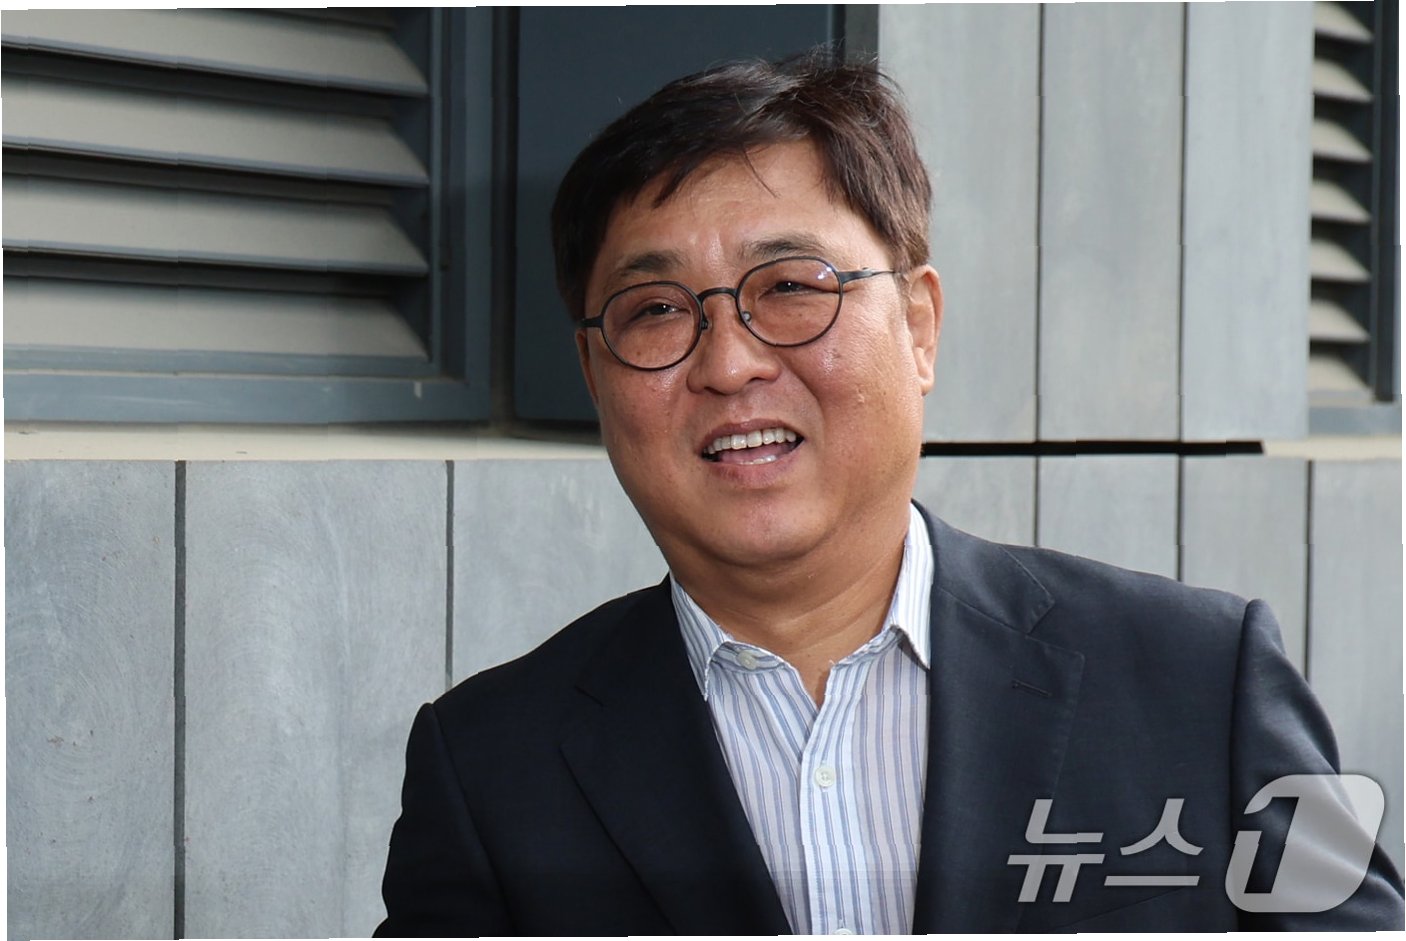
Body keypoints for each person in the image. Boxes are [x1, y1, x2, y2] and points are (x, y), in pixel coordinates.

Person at [376, 51, 1404, 934]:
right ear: (596, 375)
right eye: (654, 310)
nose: (728, 363)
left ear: (918, 326)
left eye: (790, 287)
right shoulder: (489, 771)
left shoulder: (1207, 679)